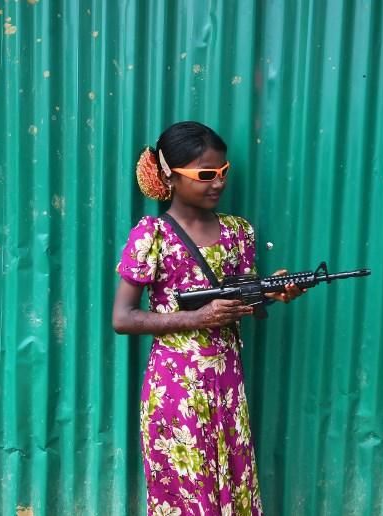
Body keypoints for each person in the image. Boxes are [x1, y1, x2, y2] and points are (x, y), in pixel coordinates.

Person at [112, 121, 302, 515]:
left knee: (232, 483)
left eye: (223, 173)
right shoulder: (153, 235)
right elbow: (123, 318)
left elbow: (238, 298)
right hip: (175, 389)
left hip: (227, 386)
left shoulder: (238, 232)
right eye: (205, 175)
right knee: (186, 490)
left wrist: (273, 292)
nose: (218, 183)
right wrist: (197, 319)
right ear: (170, 175)